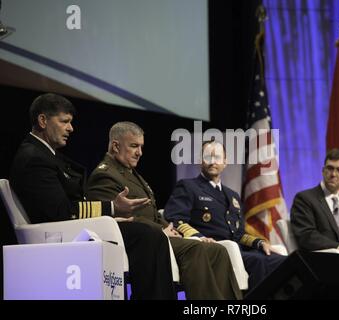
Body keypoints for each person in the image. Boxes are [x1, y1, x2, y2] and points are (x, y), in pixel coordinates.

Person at [9, 93, 175, 300]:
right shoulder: (34, 158)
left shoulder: (46, 155)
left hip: (71, 228)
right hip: (56, 235)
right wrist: (111, 210)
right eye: (65, 122)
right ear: (43, 121)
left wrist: (108, 217)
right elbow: (60, 212)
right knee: (147, 234)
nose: (71, 128)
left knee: (147, 232)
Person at [86, 122, 242, 300]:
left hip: (157, 236)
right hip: (142, 241)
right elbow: (118, 220)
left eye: (141, 147)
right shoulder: (105, 175)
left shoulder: (131, 173)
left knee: (217, 250)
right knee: (195, 249)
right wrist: (161, 231)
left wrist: (173, 230)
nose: (140, 152)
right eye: (134, 146)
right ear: (115, 145)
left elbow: (152, 213)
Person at [164, 140, 286, 291]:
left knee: (283, 262)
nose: (212, 161)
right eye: (208, 157)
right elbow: (175, 219)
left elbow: (239, 233)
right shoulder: (188, 186)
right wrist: (199, 237)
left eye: (217, 157)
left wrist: (260, 243)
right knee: (258, 262)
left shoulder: (232, 195)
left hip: (238, 250)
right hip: (214, 250)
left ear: (225, 162)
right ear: (200, 161)